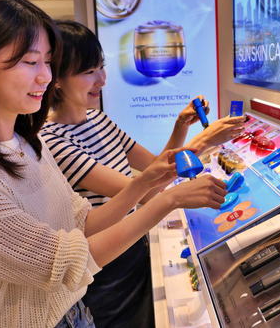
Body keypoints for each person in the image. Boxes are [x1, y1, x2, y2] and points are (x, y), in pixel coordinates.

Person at [0, 0, 226, 328]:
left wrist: (149, 180)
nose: (45, 77)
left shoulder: (27, 145)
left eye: (48, 62)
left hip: (75, 312)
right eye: (29, 62)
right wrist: (165, 199)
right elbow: (65, 262)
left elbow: (81, 222)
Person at [40, 20, 245, 327]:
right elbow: (146, 190)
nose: (103, 80)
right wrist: (203, 141)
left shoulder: (98, 119)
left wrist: (181, 125)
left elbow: (154, 170)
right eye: (89, 72)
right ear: (56, 79)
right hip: (106, 265)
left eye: (101, 67)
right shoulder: (53, 140)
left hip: (135, 244)